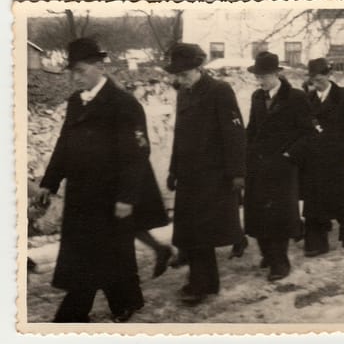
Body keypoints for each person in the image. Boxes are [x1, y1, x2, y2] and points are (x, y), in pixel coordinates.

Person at [37, 38, 168, 322]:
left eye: (80, 70)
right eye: (71, 71)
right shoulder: (76, 102)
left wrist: (127, 197)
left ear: (99, 67)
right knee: (106, 253)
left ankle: (72, 316)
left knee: (94, 254)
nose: (74, 77)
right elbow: (64, 144)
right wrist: (50, 182)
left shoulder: (123, 103)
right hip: (81, 194)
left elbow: (137, 153)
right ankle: (127, 302)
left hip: (110, 195)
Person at [165, 43, 247, 305]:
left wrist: (237, 173)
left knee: (202, 233)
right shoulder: (184, 93)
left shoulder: (219, 90)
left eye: (184, 73)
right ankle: (205, 282)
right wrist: (173, 169)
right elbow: (180, 135)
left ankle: (202, 285)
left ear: (198, 68)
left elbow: (234, 134)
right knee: (192, 232)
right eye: (177, 75)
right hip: (189, 175)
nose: (180, 79)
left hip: (213, 174)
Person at [244, 51, 315, 281]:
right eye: (257, 76)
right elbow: (252, 129)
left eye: (264, 75)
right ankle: (268, 254)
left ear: (276, 74)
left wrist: (288, 154)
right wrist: (245, 154)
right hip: (259, 164)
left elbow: (308, 133)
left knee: (279, 216)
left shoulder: (295, 97)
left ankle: (280, 263)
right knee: (258, 213)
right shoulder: (257, 97)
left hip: (283, 167)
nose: (260, 80)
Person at [302, 58, 344, 255]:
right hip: (317, 158)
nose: (317, 84)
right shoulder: (309, 99)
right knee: (317, 200)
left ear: (329, 76)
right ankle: (317, 243)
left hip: (340, 157)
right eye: (313, 80)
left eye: (320, 79)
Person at [125, 81, 173, 278]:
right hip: (125, 175)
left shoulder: (129, 107)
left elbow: (140, 144)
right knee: (130, 224)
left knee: (128, 223)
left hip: (134, 174)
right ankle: (160, 249)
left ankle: (127, 276)